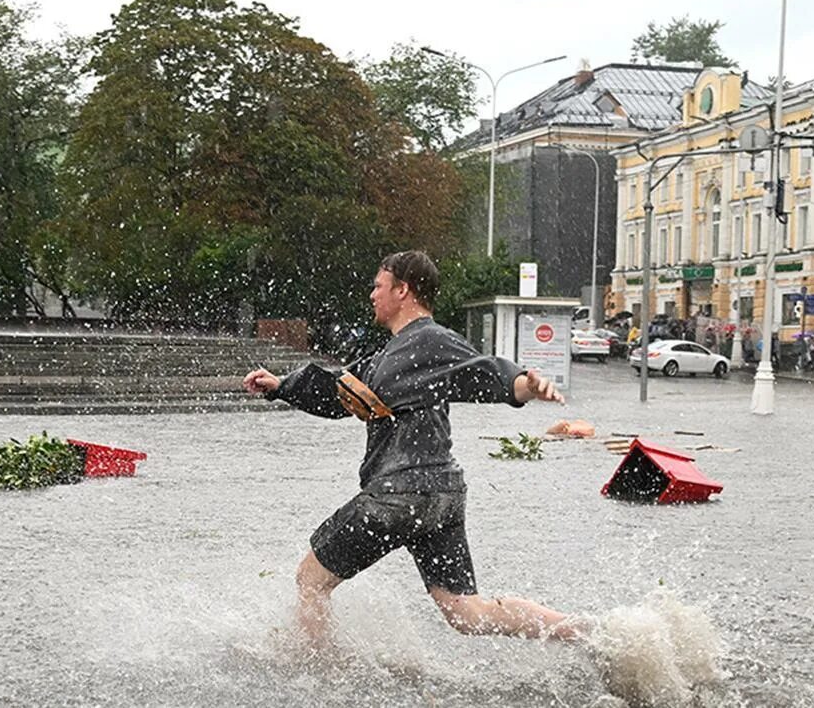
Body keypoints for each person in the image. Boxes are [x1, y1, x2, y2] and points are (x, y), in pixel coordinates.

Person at [243, 251, 583, 647]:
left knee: (310, 580)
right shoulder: (389, 355)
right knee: (465, 612)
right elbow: (341, 391)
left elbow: (485, 371)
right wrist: (282, 385)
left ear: (403, 290)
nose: (372, 294)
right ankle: (585, 631)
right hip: (440, 499)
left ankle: (317, 673)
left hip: (397, 496)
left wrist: (525, 384)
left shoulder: (432, 339)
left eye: (378, 285)